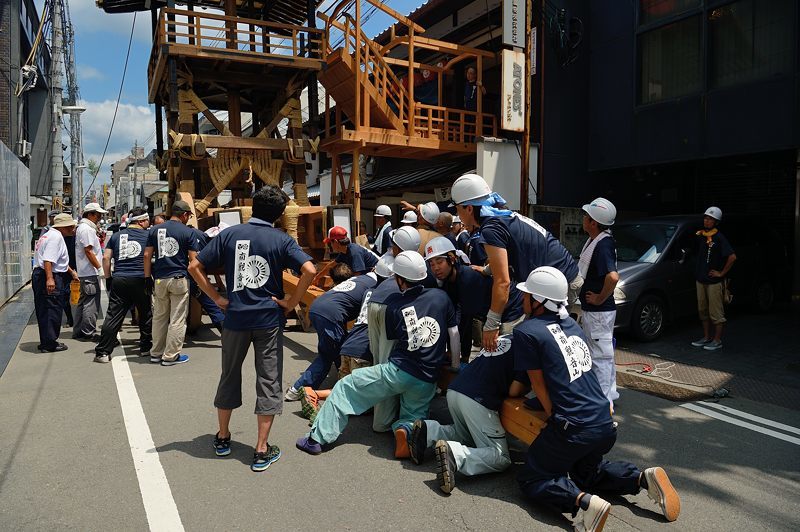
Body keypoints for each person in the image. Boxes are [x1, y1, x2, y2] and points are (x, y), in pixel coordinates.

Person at [512, 266, 680, 531]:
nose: (522, 299)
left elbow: (537, 384)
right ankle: (641, 479)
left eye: (527, 295)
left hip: (573, 428)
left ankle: (584, 503)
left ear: (538, 301)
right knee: (587, 473)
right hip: (603, 422)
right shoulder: (572, 324)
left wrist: (553, 419)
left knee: (533, 477)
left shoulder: (528, 331)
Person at [189, 185, 316, 472]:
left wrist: (217, 298)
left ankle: (222, 436)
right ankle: (261, 449)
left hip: (234, 318)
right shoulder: (281, 239)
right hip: (268, 320)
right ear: (280, 214)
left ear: (253, 208)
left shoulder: (230, 234)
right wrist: (290, 302)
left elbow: (195, 266)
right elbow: (308, 270)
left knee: (229, 374)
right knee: (268, 379)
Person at [296, 251, 459, 458]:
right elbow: (454, 333)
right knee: (411, 416)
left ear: (399, 279)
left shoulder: (394, 305)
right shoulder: (441, 297)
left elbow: (391, 345)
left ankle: (315, 439)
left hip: (399, 371)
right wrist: (453, 365)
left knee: (346, 387)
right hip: (427, 380)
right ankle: (405, 432)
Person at [451, 173, 579, 352]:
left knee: (543, 343)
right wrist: (488, 270)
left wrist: (491, 324)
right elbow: (508, 255)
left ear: (469, 208)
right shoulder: (502, 216)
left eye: (458, 209)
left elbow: (503, 282)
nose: (457, 214)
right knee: (533, 341)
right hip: (563, 273)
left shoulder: (491, 228)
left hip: (560, 282)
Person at [409, 334, 529, 493]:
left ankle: (429, 431)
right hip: (478, 400)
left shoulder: (506, 336)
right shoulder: (530, 349)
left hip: (455, 388)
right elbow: (515, 391)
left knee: (465, 434)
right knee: (501, 457)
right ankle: (456, 455)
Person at [284, 264, 377, 399]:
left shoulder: (361, 279)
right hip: (330, 315)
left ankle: (342, 382)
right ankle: (299, 389)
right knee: (327, 355)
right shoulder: (376, 285)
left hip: (318, 307)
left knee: (339, 348)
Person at [425, 237, 524, 362]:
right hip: (491, 312)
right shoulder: (448, 282)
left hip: (511, 307)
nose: (436, 268)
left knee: (505, 355)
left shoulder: (467, 278)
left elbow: (466, 321)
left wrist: (463, 356)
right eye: (431, 264)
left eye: (439, 262)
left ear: (452, 259)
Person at [94, 207, 153, 363]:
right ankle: (145, 347)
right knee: (145, 312)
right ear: (141, 221)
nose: (149, 223)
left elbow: (106, 258)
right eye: (147, 220)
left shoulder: (116, 236)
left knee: (113, 315)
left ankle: (103, 353)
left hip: (119, 278)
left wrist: (108, 278)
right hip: (141, 278)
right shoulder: (148, 235)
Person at [144, 200, 198, 366]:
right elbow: (193, 260)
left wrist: (147, 278)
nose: (189, 218)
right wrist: (197, 281)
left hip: (159, 278)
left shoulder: (155, 230)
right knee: (177, 318)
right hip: (179, 279)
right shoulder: (188, 232)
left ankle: (156, 353)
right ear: (183, 214)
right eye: (188, 215)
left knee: (159, 317)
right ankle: (171, 356)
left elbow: (147, 255)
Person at [578, 198, 620, 406]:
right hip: (599, 311)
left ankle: (604, 405)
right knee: (604, 354)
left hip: (599, 311)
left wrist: (599, 297)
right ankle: (610, 395)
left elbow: (612, 277)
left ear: (593, 222)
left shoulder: (602, 244)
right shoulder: (601, 240)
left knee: (600, 357)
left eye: (586, 216)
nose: (583, 219)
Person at [691, 206, 736, 351]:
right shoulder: (701, 235)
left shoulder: (719, 238)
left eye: (710, 219)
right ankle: (706, 337)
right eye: (705, 218)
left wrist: (721, 273)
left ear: (716, 222)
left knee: (715, 312)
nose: (707, 220)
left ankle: (717, 340)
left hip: (714, 282)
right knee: (702, 310)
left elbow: (732, 257)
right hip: (701, 279)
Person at [32, 214, 79, 352]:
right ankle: (49, 343)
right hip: (49, 274)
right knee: (51, 309)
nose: (73, 228)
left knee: (45, 309)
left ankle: (46, 340)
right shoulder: (55, 237)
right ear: (62, 227)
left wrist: (70, 271)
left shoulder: (48, 235)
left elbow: (56, 259)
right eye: (70, 226)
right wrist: (50, 278)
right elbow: (48, 260)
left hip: (43, 274)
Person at [73, 202, 109, 341]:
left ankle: (79, 331)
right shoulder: (87, 229)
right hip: (89, 271)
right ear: (90, 214)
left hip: (85, 271)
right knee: (91, 304)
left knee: (83, 302)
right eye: (98, 214)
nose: (99, 217)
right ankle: (89, 332)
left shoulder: (84, 228)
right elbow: (88, 251)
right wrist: (99, 267)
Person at [188, 225, 225, 332]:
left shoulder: (188, 234)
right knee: (209, 303)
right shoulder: (200, 236)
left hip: (181, 274)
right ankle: (223, 326)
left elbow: (193, 262)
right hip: (194, 273)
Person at [314, 226, 379, 283]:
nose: (330, 246)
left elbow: (357, 276)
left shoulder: (354, 252)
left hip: (379, 277)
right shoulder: (344, 251)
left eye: (330, 243)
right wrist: (317, 277)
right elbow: (331, 266)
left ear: (336, 242)